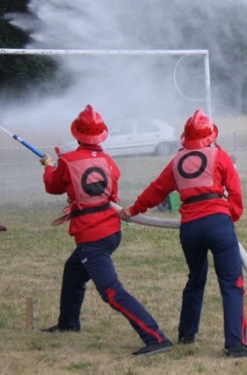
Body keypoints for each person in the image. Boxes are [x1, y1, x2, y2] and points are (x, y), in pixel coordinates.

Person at [120, 109, 247, 358]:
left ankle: (187, 334)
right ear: (210, 134)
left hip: (190, 228)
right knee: (231, 283)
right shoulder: (219, 155)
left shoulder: (176, 161)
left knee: (195, 279)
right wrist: (233, 216)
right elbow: (235, 189)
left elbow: (156, 190)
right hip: (218, 223)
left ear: (186, 137)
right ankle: (235, 345)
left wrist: (133, 210)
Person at [39, 104, 172, 356]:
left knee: (111, 292)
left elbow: (53, 187)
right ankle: (68, 323)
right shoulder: (109, 162)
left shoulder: (67, 160)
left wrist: (48, 165)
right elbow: (111, 195)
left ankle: (156, 337)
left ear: (77, 133)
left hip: (92, 235)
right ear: (102, 135)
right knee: (73, 271)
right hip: (111, 231)